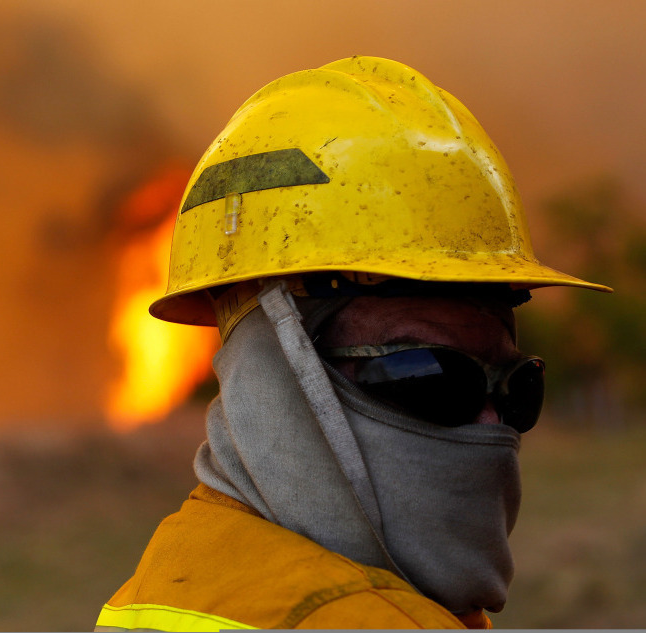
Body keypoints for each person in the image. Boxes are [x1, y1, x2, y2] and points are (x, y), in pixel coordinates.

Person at [95, 56, 611, 630]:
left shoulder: (166, 583)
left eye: (520, 390)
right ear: (275, 372)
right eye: (432, 378)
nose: (493, 425)